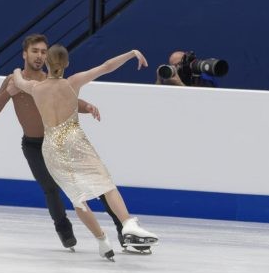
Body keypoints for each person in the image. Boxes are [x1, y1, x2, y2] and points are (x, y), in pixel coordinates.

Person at [0, 34, 131, 252]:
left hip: (60, 143)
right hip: (34, 145)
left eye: (44, 52)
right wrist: (7, 93)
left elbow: (67, 100)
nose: (40, 56)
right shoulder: (13, 81)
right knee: (50, 188)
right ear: (25, 54)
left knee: (97, 186)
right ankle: (64, 230)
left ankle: (123, 230)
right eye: (35, 51)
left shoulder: (49, 80)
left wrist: (86, 106)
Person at [12, 45, 159, 261]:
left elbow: (18, 80)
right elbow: (106, 67)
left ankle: (101, 240)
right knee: (105, 184)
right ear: (66, 64)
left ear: (48, 63)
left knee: (77, 197)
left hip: (51, 145)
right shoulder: (73, 82)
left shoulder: (35, 87)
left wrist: (16, 70)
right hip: (73, 139)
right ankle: (127, 222)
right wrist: (131, 54)